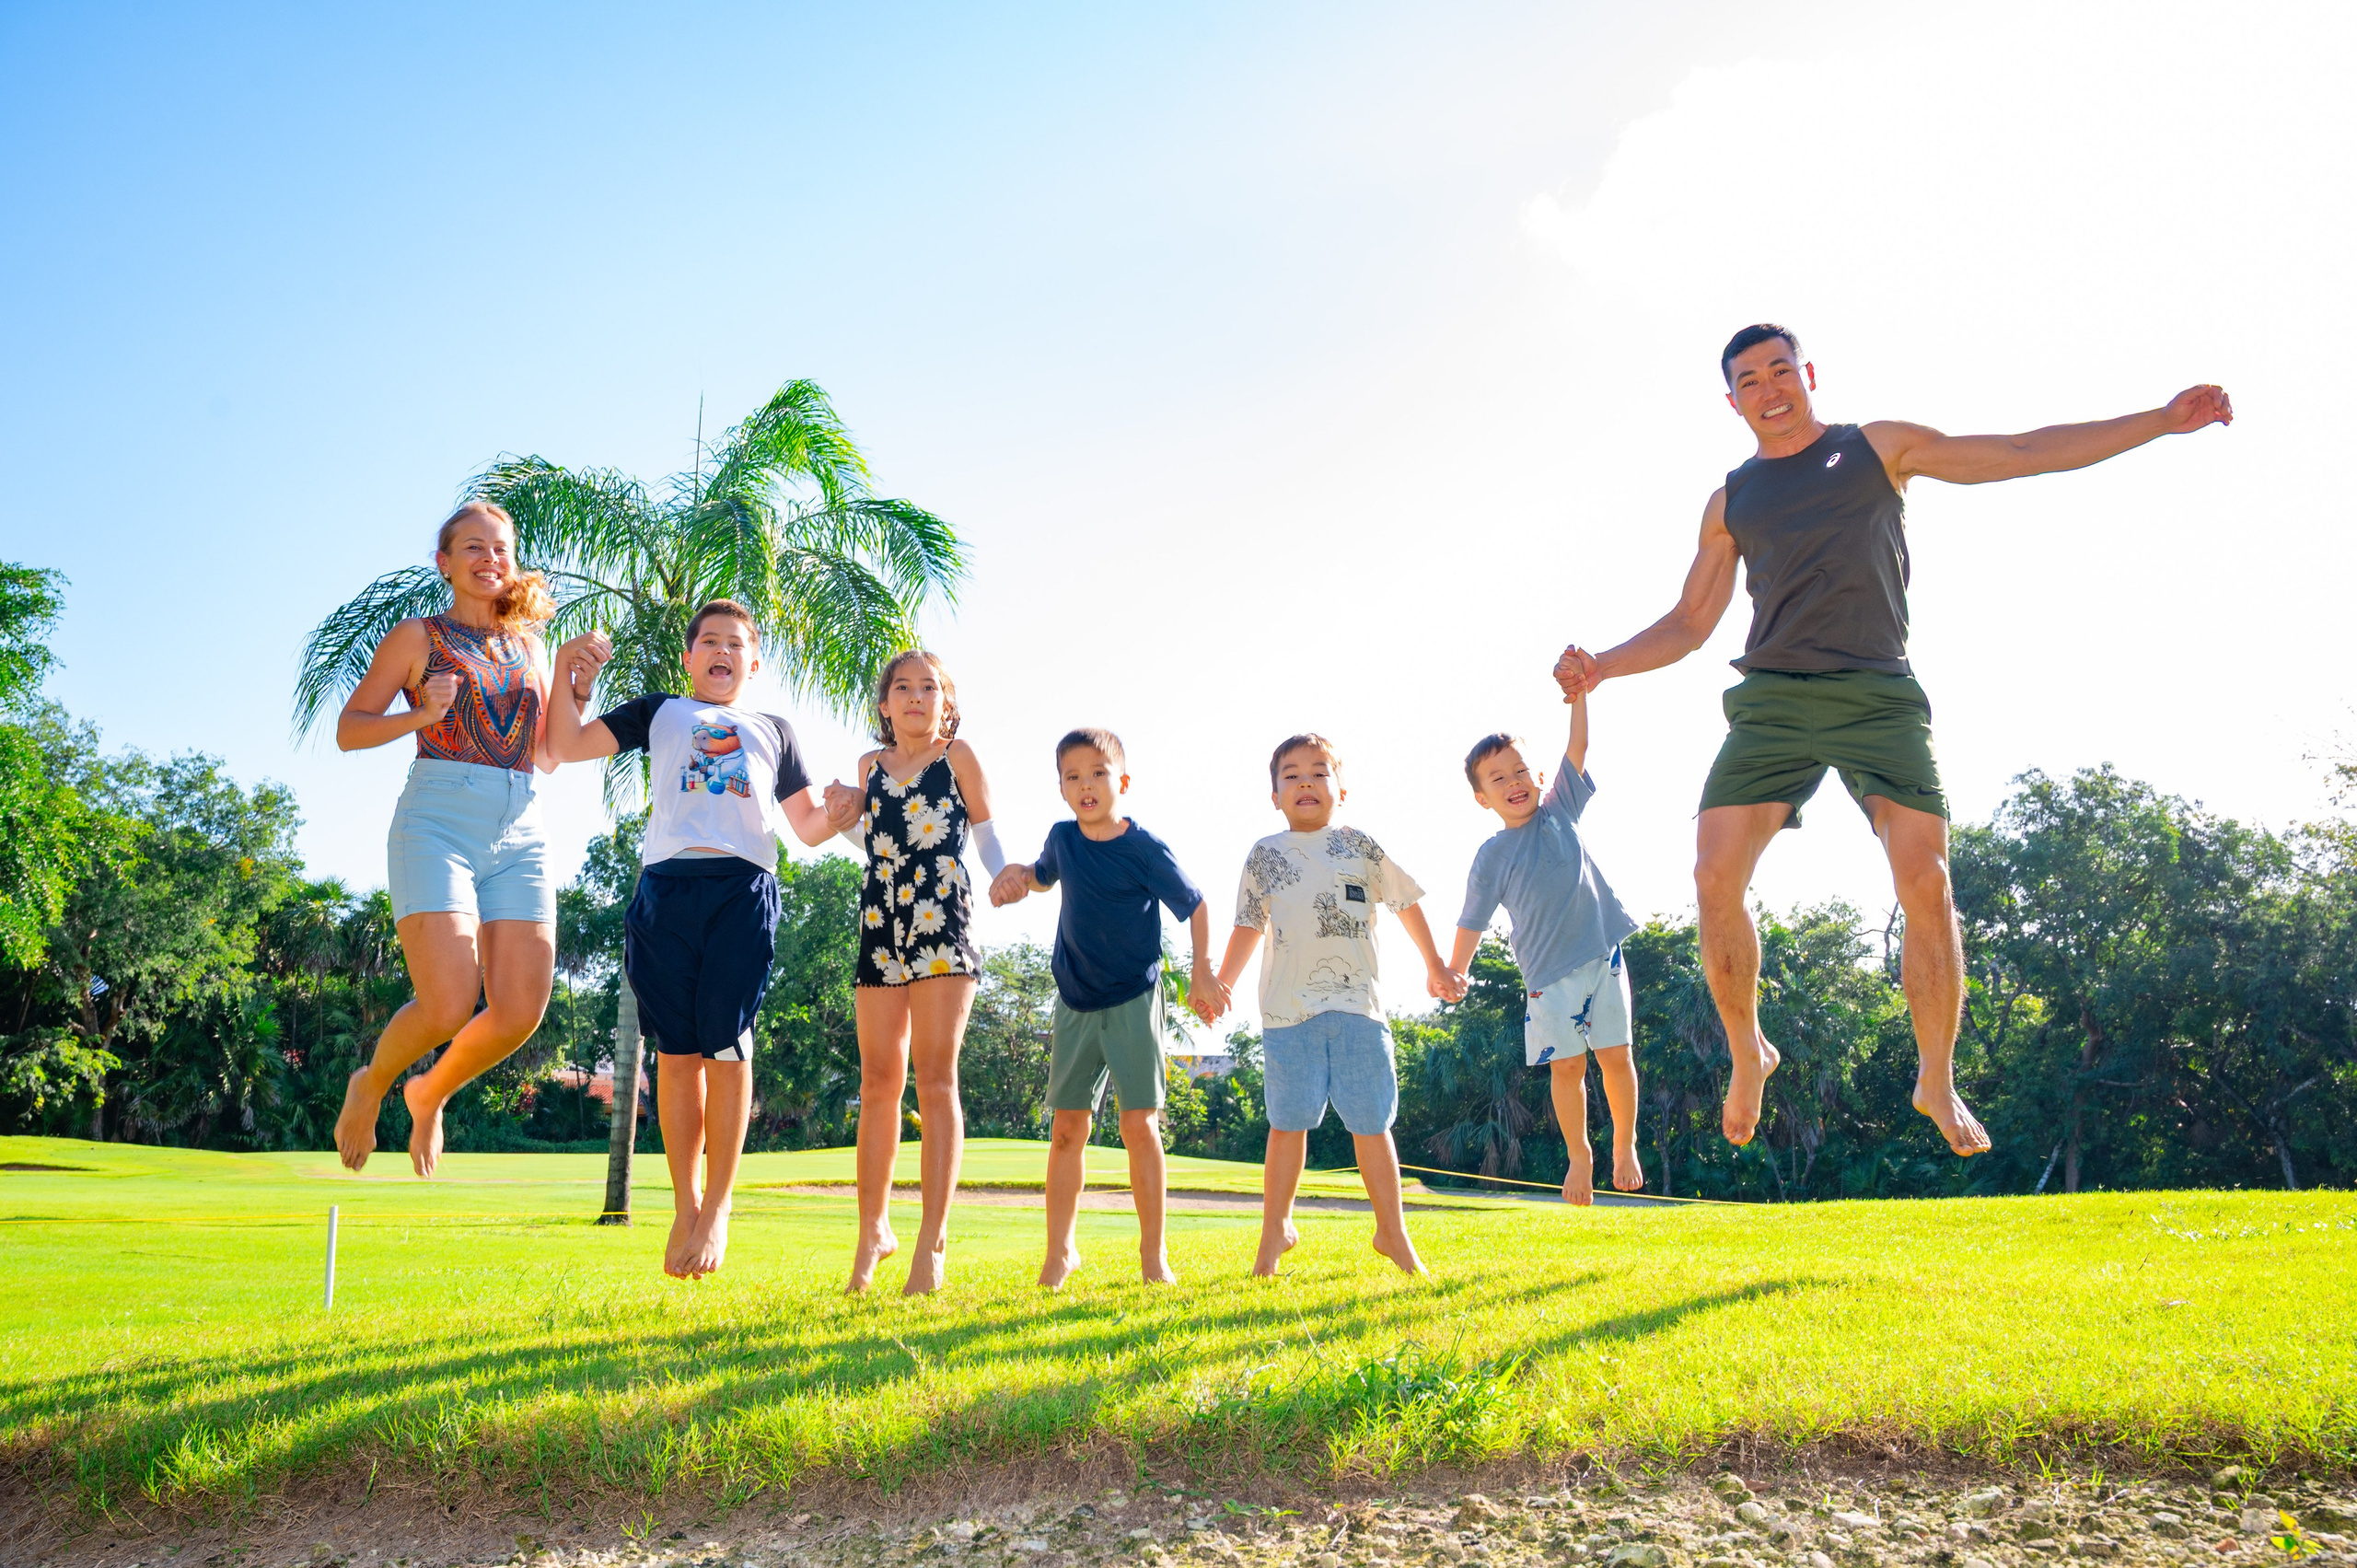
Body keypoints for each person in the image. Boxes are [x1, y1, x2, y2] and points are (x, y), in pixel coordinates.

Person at [1557, 323, 2233, 1156]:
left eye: (1781, 371)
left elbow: (2020, 449)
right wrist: (1605, 668)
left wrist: (2159, 421)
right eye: (1749, 381)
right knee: (1711, 874)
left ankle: (1936, 1078)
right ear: (1730, 400)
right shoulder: (1731, 499)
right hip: (1774, 699)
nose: (1770, 389)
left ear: (1808, 373)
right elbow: (1693, 621)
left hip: (1879, 691)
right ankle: (1748, 1052)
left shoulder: (1879, 449)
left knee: (1928, 881)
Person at [544, 599, 841, 1278]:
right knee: (676, 1053)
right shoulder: (661, 711)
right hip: (666, 890)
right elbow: (565, 746)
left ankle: (721, 1207)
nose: (723, 651)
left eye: (737, 644)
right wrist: (568, 676)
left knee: (729, 1045)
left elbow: (810, 826)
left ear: (754, 661)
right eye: (710, 640)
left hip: (743, 890)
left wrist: (842, 810)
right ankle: (687, 1201)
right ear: (688, 656)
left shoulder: (774, 729)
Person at [330, 500, 607, 1178]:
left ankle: (431, 1091)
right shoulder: (416, 637)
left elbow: (546, 754)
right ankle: (372, 1082)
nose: (489, 559)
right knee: (449, 1002)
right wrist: (421, 713)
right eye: (473, 548)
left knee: (519, 1009)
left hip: (521, 822)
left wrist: (578, 687)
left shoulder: (531, 647)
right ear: (445, 563)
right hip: (437, 820)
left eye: (501, 548)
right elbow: (349, 728)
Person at [1207, 733, 1454, 1276]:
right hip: (1287, 1012)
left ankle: (1392, 1232)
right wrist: (1221, 983)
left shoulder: (1361, 846)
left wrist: (1435, 966)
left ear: (1342, 787)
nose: (1305, 783)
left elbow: (1406, 904)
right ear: (1274, 795)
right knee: (1287, 1123)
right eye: (1291, 775)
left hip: (1359, 1008)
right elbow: (1247, 924)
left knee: (1372, 1124)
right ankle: (1276, 1232)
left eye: (1319, 772)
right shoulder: (1266, 854)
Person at [991, 728, 1225, 1289]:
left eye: (1097, 773)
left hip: (1133, 1000)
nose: (1086, 785)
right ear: (1062, 789)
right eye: (1073, 777)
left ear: (1122, 781)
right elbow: (1043, 877)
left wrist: (1201, 973)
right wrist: (1018, 878)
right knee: (1067, 1130)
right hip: (1074, 1001)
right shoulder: (1062, 839)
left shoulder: (1143, 848)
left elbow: (1196, 906)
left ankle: (1153, 1258)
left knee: (1138, 1125)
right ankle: (1060, 1254)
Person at [820, 649, 1006, 1296]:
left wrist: (1005, 873)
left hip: (942, 917)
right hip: (880, 916)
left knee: (934, 1077)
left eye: (930, 688)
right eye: (904, 687)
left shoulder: (958, 757)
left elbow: (983, 831)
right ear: (885, 704)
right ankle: (873, 1231)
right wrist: (846, 811)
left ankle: (932, 1241)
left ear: (945, 703)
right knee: (877, 1082)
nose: (917, 697)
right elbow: (873, 841)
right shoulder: (869, 767)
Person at [1446, 671, 1644, 1205]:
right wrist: (1453, 970)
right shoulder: (1491, 856)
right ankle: (1580, 1157)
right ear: (1482, 797)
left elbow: (1578, 743)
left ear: (1537, 775)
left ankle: (1624, 1146)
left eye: (1519, 771)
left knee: (1616, 1057)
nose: (1513, 783)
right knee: (1568, 1067)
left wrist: (1579, 696)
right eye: (1496, 779)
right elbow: (1472, 920)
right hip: (1548, 978)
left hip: (1604, 956)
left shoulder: (1561, 809)